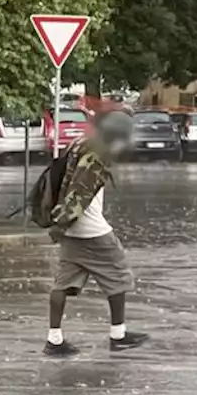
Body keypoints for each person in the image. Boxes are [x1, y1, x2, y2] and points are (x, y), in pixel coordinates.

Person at [44, 109, 149, 356]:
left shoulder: (80, 142)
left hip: (72, 229)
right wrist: (61, 224)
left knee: (62, 283)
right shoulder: (97, 152)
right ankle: (118, 335)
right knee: (119, 275)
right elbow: (79, 192)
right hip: (90, 229)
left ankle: (54, 340)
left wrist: (61, 226)